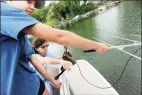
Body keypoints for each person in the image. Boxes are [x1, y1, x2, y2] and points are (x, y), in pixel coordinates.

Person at [1, 0, 109, 95]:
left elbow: (33, 59)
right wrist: (97, 46)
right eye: (28, 1)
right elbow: (59, 36)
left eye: (34, 4)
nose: (33, 7)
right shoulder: (3, 10)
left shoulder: (20, 31)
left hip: (33, 84)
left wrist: (52, 80)